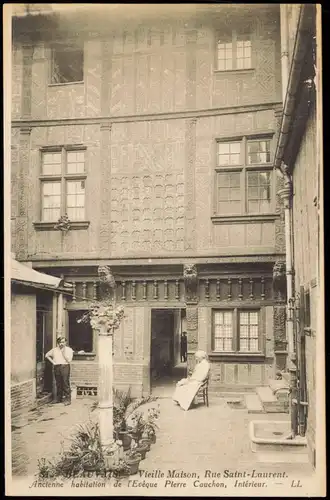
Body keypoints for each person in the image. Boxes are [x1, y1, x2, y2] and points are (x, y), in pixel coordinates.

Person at [45, 337, 74, 405]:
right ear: (58, 343)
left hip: (65, 366)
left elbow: (69, 360)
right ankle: (58, 399)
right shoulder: (55, 350)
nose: (61, 344)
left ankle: (68, 400)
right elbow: (47, 355)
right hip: (57, 367)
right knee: (58, 383)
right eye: (60, 342)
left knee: (65, 383)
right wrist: (53, 362)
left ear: (65, 342)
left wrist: (63, 353)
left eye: (63, 342)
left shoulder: (69, 350)